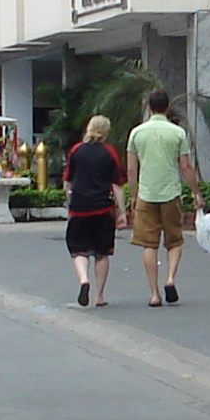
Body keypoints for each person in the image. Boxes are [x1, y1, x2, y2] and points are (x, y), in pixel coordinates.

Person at [124, 88, 202, 308]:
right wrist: (196, 192)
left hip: (147, 193)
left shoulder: (137, 133)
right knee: (174, 239)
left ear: (149, 107)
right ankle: (170, 279)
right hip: (171, 193)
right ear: (168, 107)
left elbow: (131, 169)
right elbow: (185, 166)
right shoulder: (177, 133)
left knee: (149, 244)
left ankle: (154, 293)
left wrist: (134, 195)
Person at [63, 114, 126, 307]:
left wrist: (70, 200)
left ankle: (84, 280)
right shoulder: (109, 153)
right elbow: (116, 184)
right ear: (106, 131)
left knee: (78, 250)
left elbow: (67, 180)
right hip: (103, 208)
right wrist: (122, 211)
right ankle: (99, 296)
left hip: (80, 208)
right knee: (102, 253)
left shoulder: (76, 150)